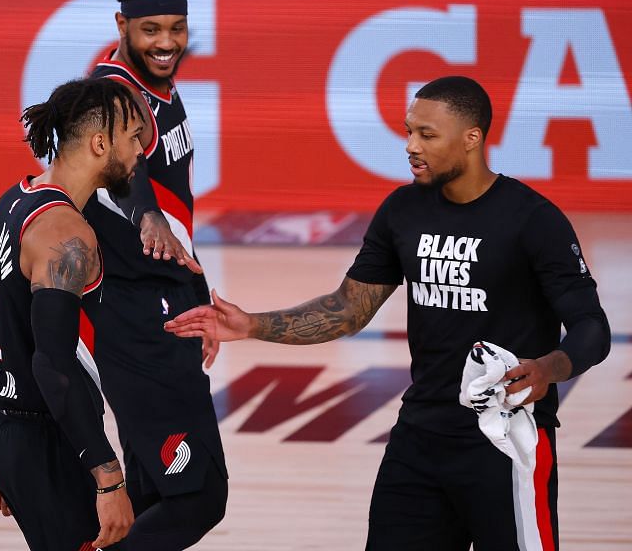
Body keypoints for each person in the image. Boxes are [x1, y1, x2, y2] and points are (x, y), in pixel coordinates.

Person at [165, 76, 612, 550]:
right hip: (420, 436)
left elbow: (592, 327)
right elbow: (348, 309)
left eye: (427, 134)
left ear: (472, 138)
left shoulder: (533, 220)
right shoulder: (403, 211)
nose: (410, 146)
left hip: (507, 438)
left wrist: (549, 368)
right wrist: (253, 325)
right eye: (408, 131)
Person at [0, 77, 145, 550]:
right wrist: (108, 478)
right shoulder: (67, 234)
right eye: (133, 137)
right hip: (51, 442)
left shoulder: (12, 203)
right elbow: (53, 366)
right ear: (101, 143)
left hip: (10, 431)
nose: (140, 151)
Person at [77, 0, 228, 550]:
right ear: (122, 23)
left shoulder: (159, 83)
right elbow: (129, 169)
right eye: (150, 30)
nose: (166, 42)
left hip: (163, 302)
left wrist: (197, 296)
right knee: (197, 500)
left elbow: (175, 205)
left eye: (177, 27)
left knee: (152, 497)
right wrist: (145, 215)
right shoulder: (114, 91)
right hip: (137, 319)